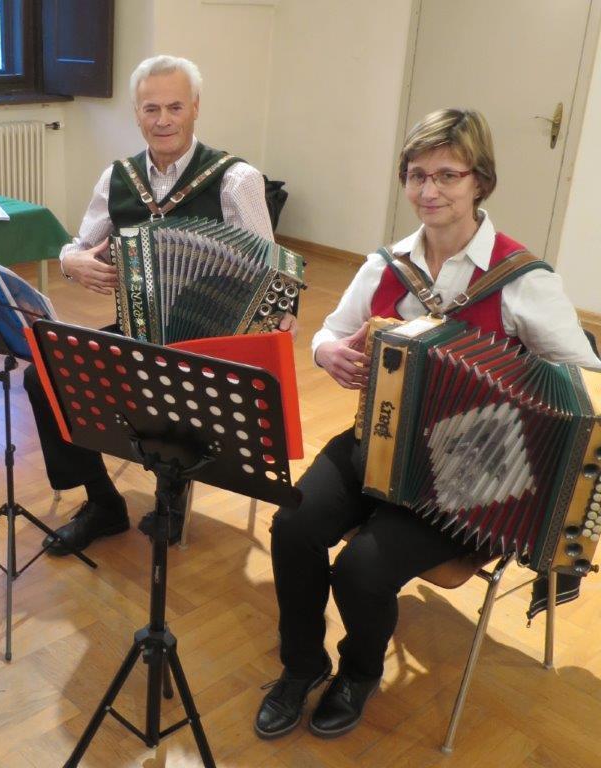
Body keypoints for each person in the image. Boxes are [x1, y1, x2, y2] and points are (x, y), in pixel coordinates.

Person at [255, 108, 600, 741]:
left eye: (448, 175)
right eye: (417, 175)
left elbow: (585, 383)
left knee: (361, 570)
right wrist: (329, 355)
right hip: (378, 440)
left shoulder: (522, 280)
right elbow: (329, 332)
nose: (429, 190)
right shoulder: (387, 265)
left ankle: (359, 672)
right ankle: (302, 664)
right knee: (293, 527)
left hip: (468, 475)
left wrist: (523, 408)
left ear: (479, 181)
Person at [23, 54, 293, 556]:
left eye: (175, 107)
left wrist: (275, 316)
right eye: (151, 109)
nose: (163, 120)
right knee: (43, 374)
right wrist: (71, 262)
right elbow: (79, 246)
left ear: (195, 108)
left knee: (168, 390)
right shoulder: (118, 178)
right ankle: (103, 501)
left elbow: (270, 271)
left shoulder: (235, 179)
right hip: (137, 332)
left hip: (208, 348)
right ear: (136, 113)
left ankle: (173, 491)